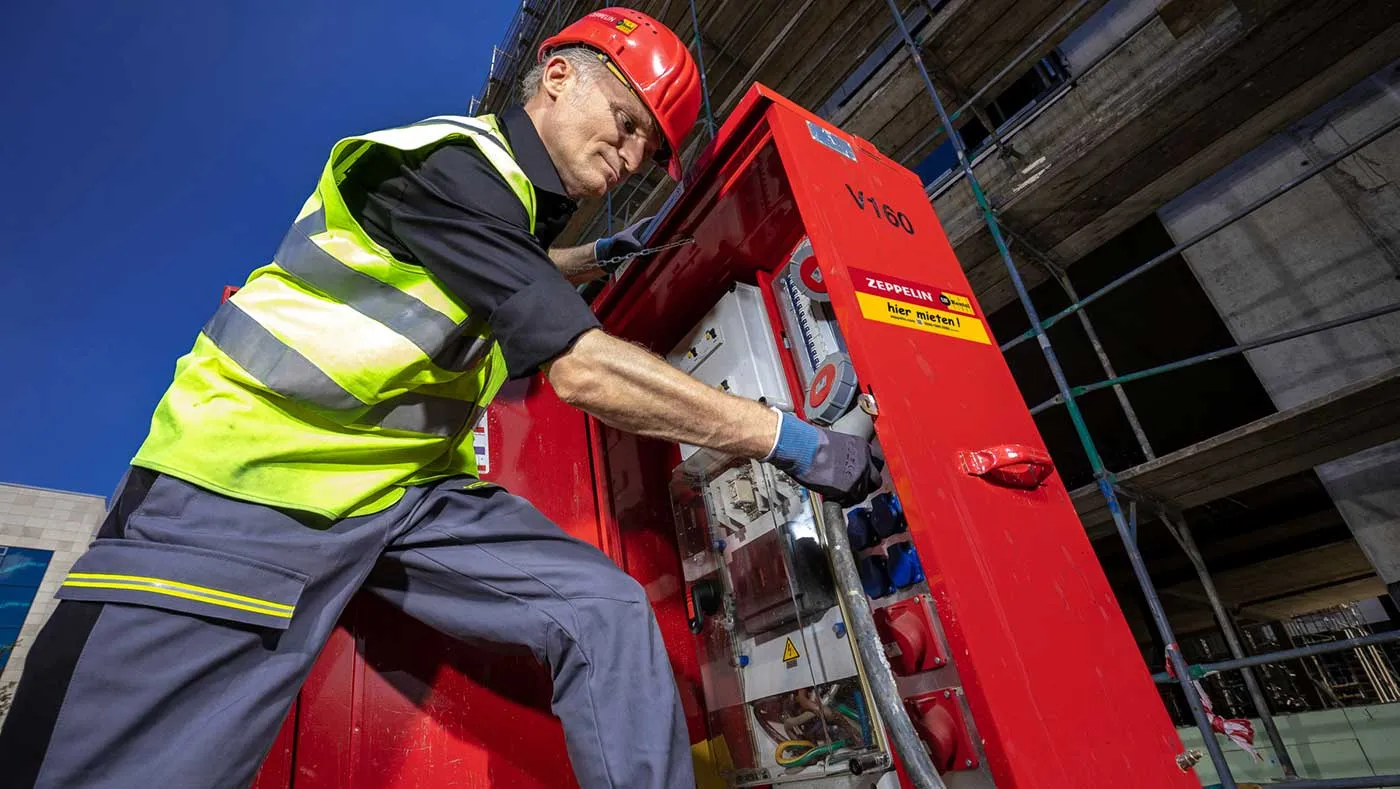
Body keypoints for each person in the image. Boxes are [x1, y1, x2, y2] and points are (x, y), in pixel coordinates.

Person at [0, 8, 881, 789]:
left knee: (602, 610)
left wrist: (598, 258)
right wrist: (790, 439)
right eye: (626, 124)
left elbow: (504, 263)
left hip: (404, 492)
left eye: (647, 151)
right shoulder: (448, 166)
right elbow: (581, 370)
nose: (628, 159)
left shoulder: (499, 208)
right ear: (558, 75)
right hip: (248, 484)